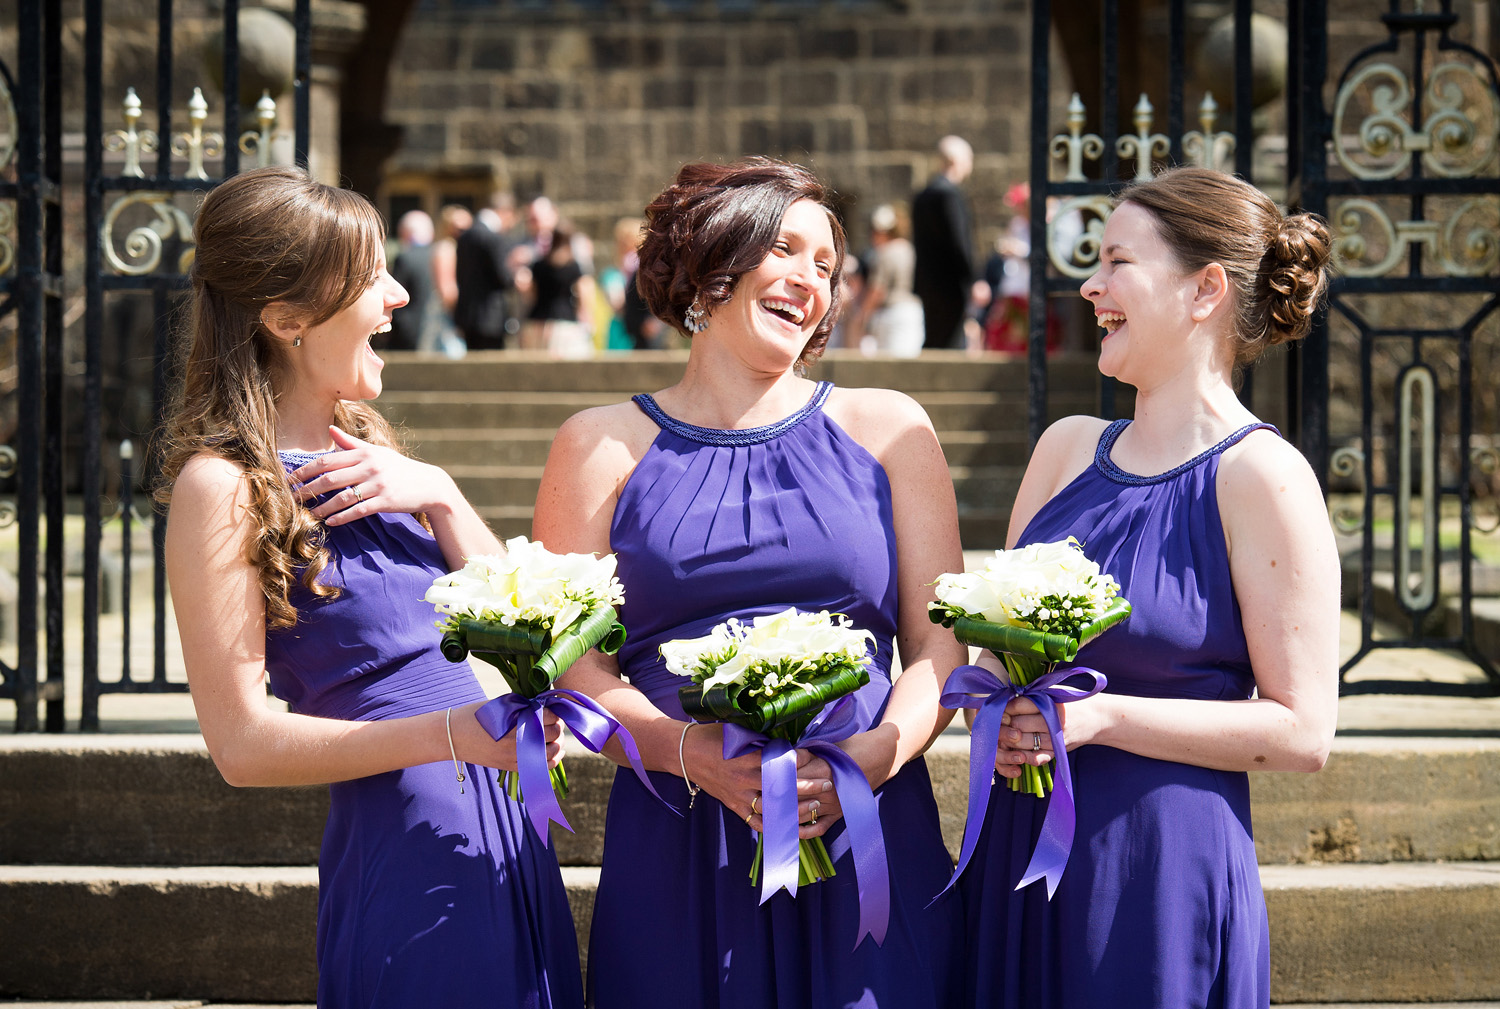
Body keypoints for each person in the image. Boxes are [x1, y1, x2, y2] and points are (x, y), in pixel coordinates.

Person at [532, 158, 967, 1008]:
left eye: (826, 266)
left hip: (864, 822)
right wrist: (687, 752)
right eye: (785, 248)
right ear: (711, 263)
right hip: (681, 833)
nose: (810, 279)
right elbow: (573, 668)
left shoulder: (891, 429)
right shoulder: (596, 446)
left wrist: (874, 756)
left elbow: (940, 644)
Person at [157, 166, 582, 1009]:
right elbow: (241, 745)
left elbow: (531, 634)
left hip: (502, 826)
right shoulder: (224, 485)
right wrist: (454, 732)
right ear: (286, 320)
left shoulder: (375, 451)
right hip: (409, 844)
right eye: (368, 279)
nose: (397, 295)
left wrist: (443, 493)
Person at [960, 166, 1340, 1008]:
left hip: (1157, 869)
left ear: (1204, 289)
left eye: (1117, 261)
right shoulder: (1064, 448)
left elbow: (1304, 729)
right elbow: (989, 654)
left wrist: (1101, 718)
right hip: (1016, 850)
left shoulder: (1263, 477)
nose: (1090, 284)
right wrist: (992, 700)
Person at [912, 135, 977, 350]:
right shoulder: (949, 195)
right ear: (957, 161)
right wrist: (974, 278)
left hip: (927, 282)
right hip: (951, 284)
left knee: (934, 337)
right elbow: (960, 243)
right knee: (951, 342)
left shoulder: (922, 196)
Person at [454, 192, 519, 351]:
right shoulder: (493, 238)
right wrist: (515, 273)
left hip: (467, 315)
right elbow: (503, 278)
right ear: (506, 212)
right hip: (491, 318)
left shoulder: (465, 236)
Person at [856, 203, 924, 358]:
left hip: (891, 316)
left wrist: (862, 316)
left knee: (890, 371)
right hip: (912, 313)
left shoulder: (884, 253)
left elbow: (877, 290)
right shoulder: (909, 249)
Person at [387, 209, 439, 352]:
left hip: (408, 331)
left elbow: (394, 294)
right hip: (434, 327)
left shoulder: (405, 258)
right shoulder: (439, 255)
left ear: (405, 232)